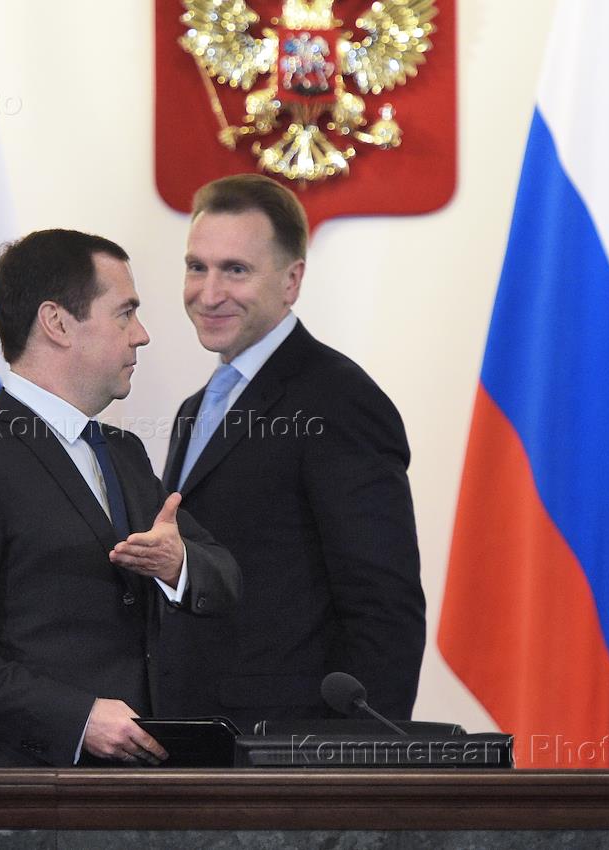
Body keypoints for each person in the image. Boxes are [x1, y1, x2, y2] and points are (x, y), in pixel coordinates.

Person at [0, 229, 240, 767]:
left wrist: (179, 564)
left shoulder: (124, 453)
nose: (142, 335)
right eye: (125, 313)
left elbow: (224, 575)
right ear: (57, 323)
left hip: (140, 785)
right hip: (22, 789)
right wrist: (76, 719)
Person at [158, 174, 425, 730]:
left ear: (292, 280)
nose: (208, 293)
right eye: (197, 267)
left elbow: (383, 604)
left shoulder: (339, 399)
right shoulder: (195, 409)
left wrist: (360, 757)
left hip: (291, 748)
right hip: (198, 734)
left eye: (236, 270)